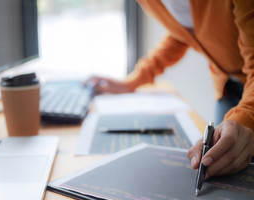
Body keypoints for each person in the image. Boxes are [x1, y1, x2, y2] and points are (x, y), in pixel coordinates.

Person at [86, 0, 254, 178]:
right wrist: (132, 82)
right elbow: (182, 32)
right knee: (223, 166)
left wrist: (246, 116)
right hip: (226, 86)